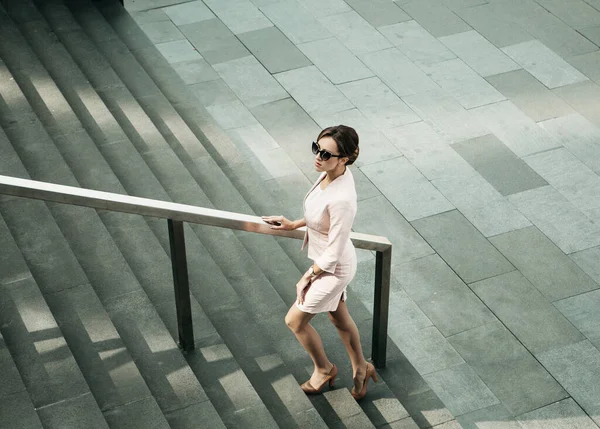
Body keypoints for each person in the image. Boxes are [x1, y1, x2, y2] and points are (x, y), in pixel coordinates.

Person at [262, 125, 377, 400]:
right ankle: (361, 367)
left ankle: (324, 369)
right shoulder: (330, 174)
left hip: (333, 267)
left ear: (345, 158)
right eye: (316, 148)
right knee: (338, 318)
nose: (317, 156)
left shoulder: (343, 199)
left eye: (325, 154)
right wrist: (294, 224)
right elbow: (320, 216)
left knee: (295, 321)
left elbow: (335, 250)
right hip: (327, 260)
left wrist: (308, 276)